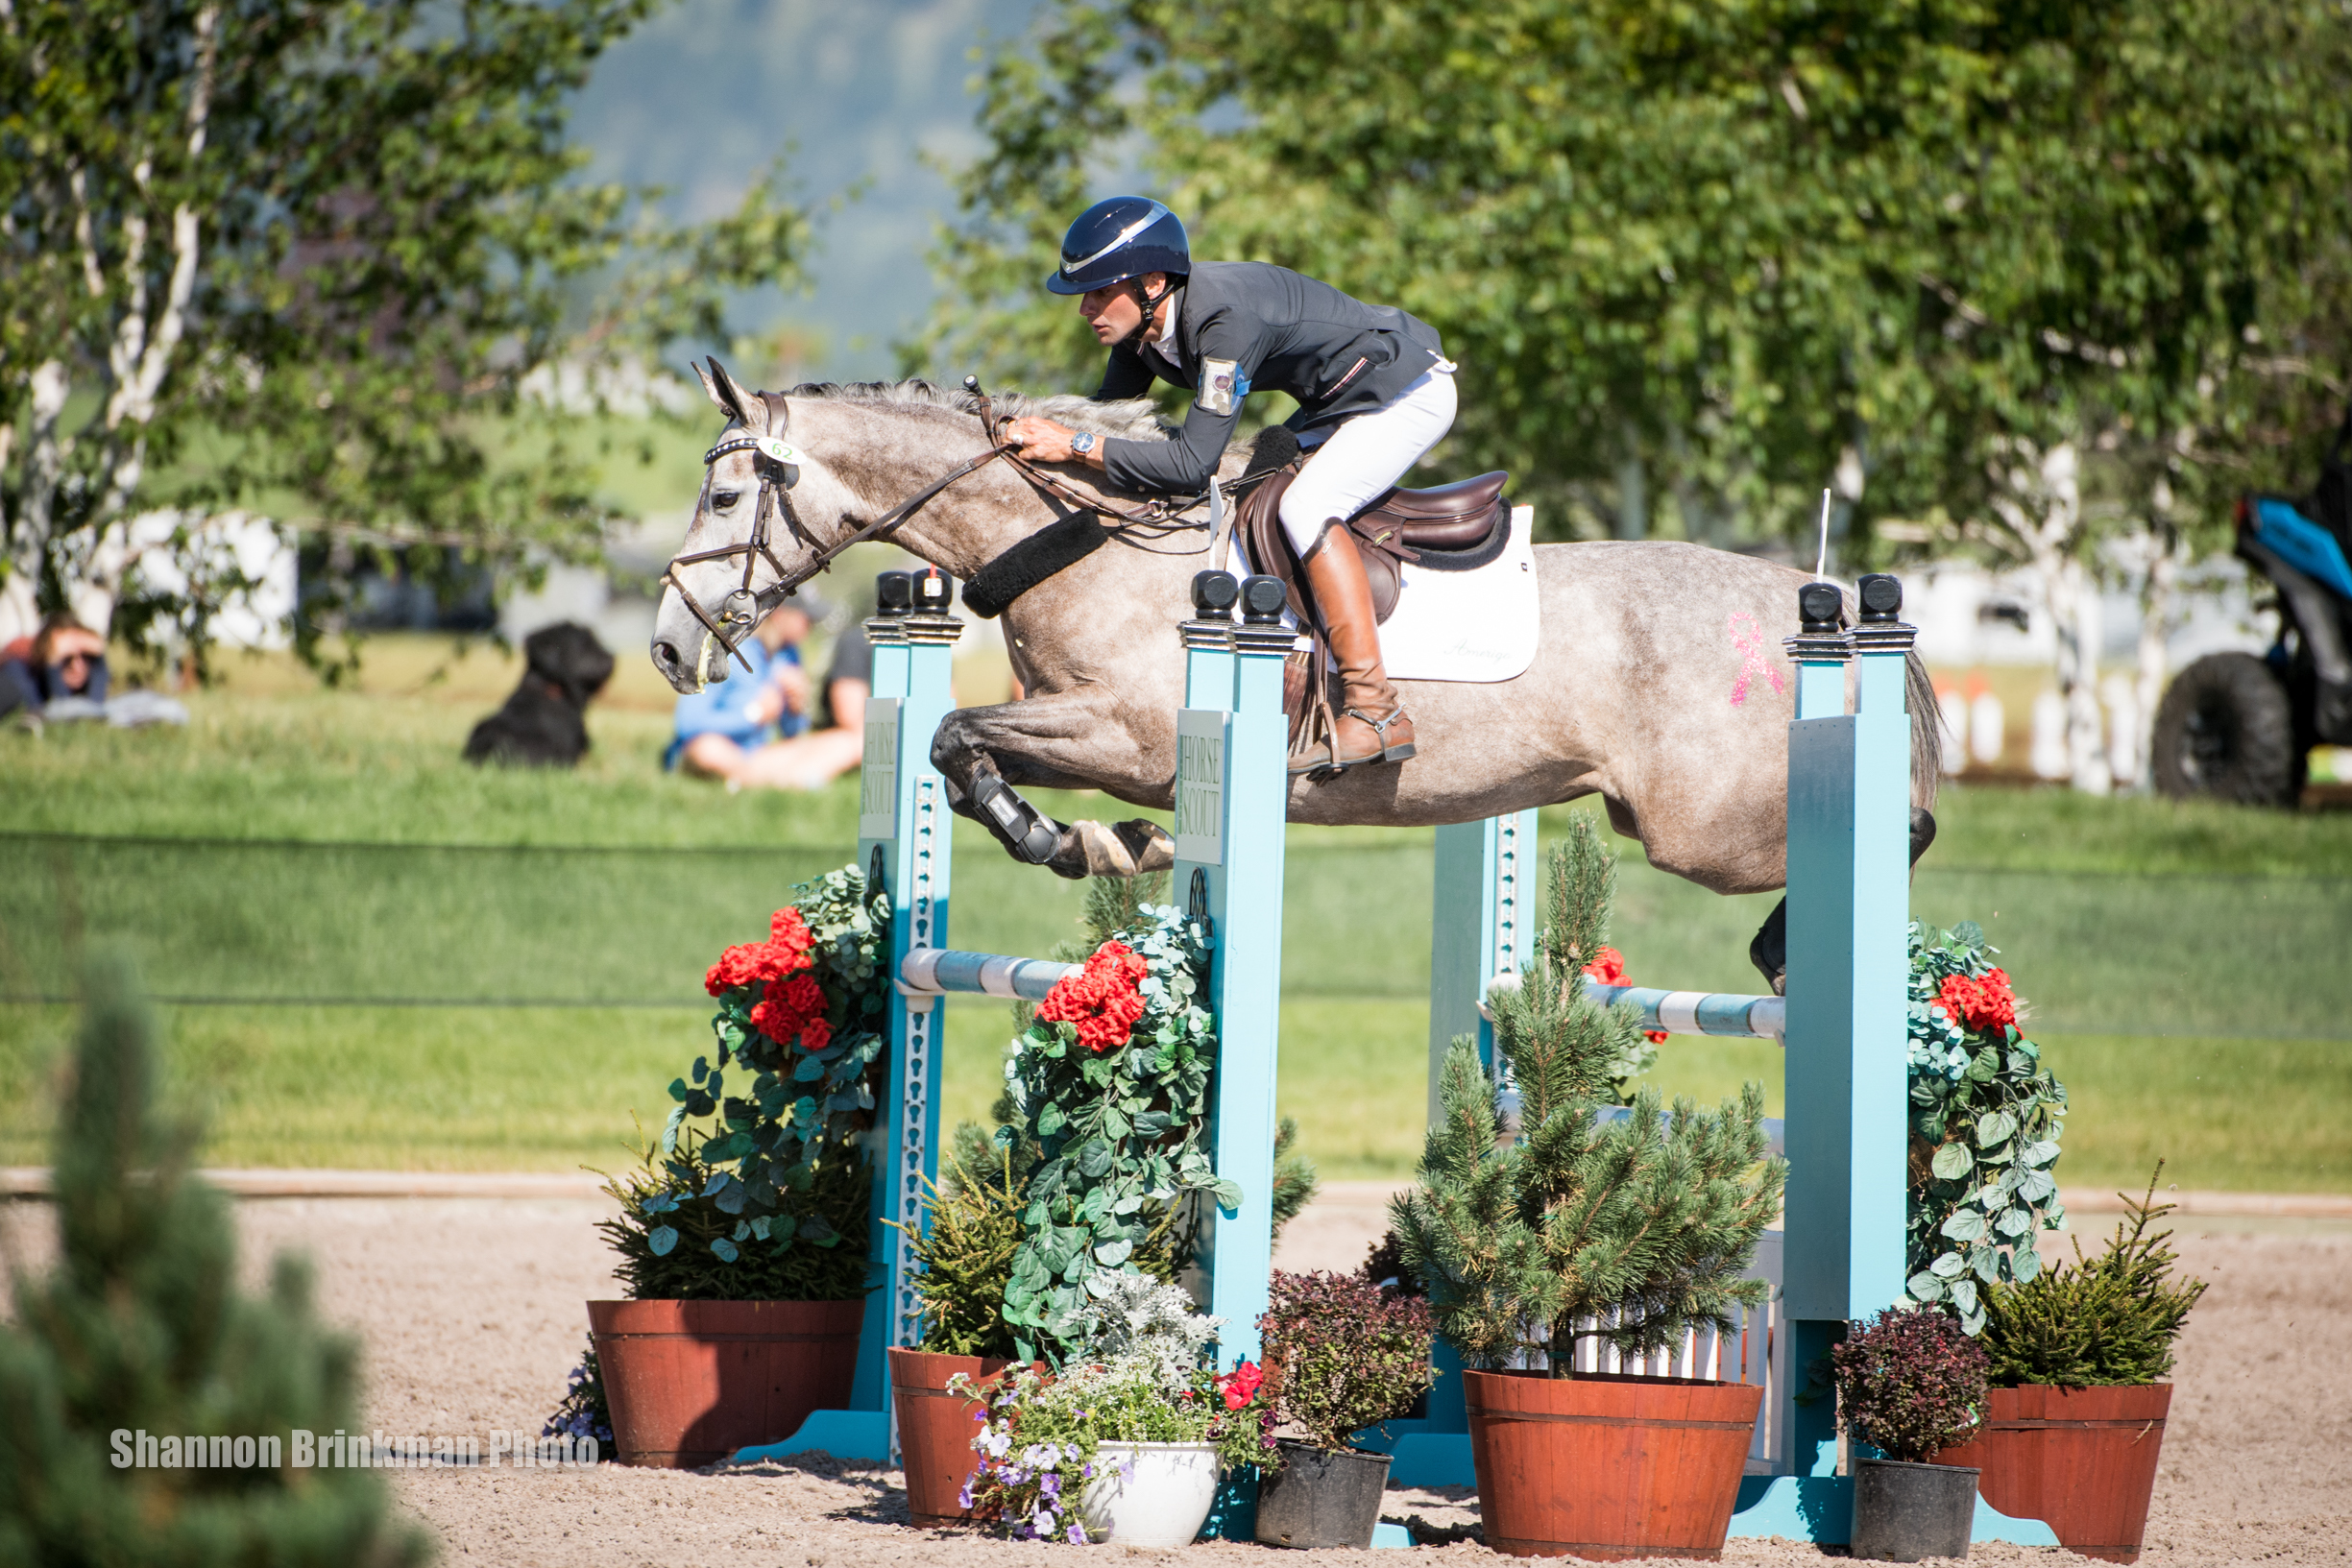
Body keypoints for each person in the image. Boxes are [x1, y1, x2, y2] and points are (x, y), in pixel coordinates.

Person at [1001, 196, 1455, 775]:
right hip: (1335, 401)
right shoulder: (1143, 327)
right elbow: (1105, 425)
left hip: (1405, 392)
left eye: (1098, 291)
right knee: (1246, 494)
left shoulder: (1225, 322)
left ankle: (1376, 710)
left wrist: (1076, 445)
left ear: (1154, 282)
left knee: (1306, 507)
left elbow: (1190, 462)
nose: (1085, 308)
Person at [667, 599, 871, 790]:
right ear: (780, 615)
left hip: (756, 755)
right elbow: (686, 725)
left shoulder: (789, 655)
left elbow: (791, 734)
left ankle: (754, 781)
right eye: (805, 619)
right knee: (707, 749)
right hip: (708, 751)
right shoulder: (725, 652)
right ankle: (786, 782)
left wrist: (795, 707)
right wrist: (753, 715)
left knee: (846, 742)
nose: (811, 625)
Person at [1, 613, 109, 716]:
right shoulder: (18, 672)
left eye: (86, 656)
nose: (77, 667)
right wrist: (53, 664)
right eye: (67, 659)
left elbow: (95, 711)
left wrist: (99, 659)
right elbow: (62, 714)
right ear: (47, 654)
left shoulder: (82, 681)